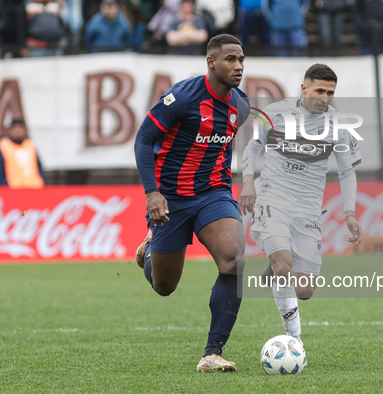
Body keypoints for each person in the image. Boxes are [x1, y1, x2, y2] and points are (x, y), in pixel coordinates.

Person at [134, 34, 248, 372]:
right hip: (171, 199)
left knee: (235, 261)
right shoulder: (182, 98)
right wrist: (153, 193)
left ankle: (212, 353)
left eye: (241, 59)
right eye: (230, 59)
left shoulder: (239, 105)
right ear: (211, 62)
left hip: (214, 193)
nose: (238, 66)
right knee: (165, 286)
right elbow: (144, 139)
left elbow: (222, 149)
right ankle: (151, 251)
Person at [239, 64, 364, 356]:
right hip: (273, 197)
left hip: (308, 208)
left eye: (330, 92)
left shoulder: (339, 128)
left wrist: (350, 213)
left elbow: (347, 173)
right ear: (304, 88)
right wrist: (248, 182)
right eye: (319, 90)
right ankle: (294, 342)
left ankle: (276, 265)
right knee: (285, 267)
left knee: (305, 291)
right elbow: (252, 148)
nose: (325, 97)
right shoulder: (276, 112)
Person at [0, 119, 45, 189]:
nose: (18, 130)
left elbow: (39, 166)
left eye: (20, 127)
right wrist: (5, 187)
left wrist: (40, 181)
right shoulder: (4, 146)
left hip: (34, 188)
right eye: (15, 128)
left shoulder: (30, 145)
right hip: (14, 190)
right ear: (10, 130)